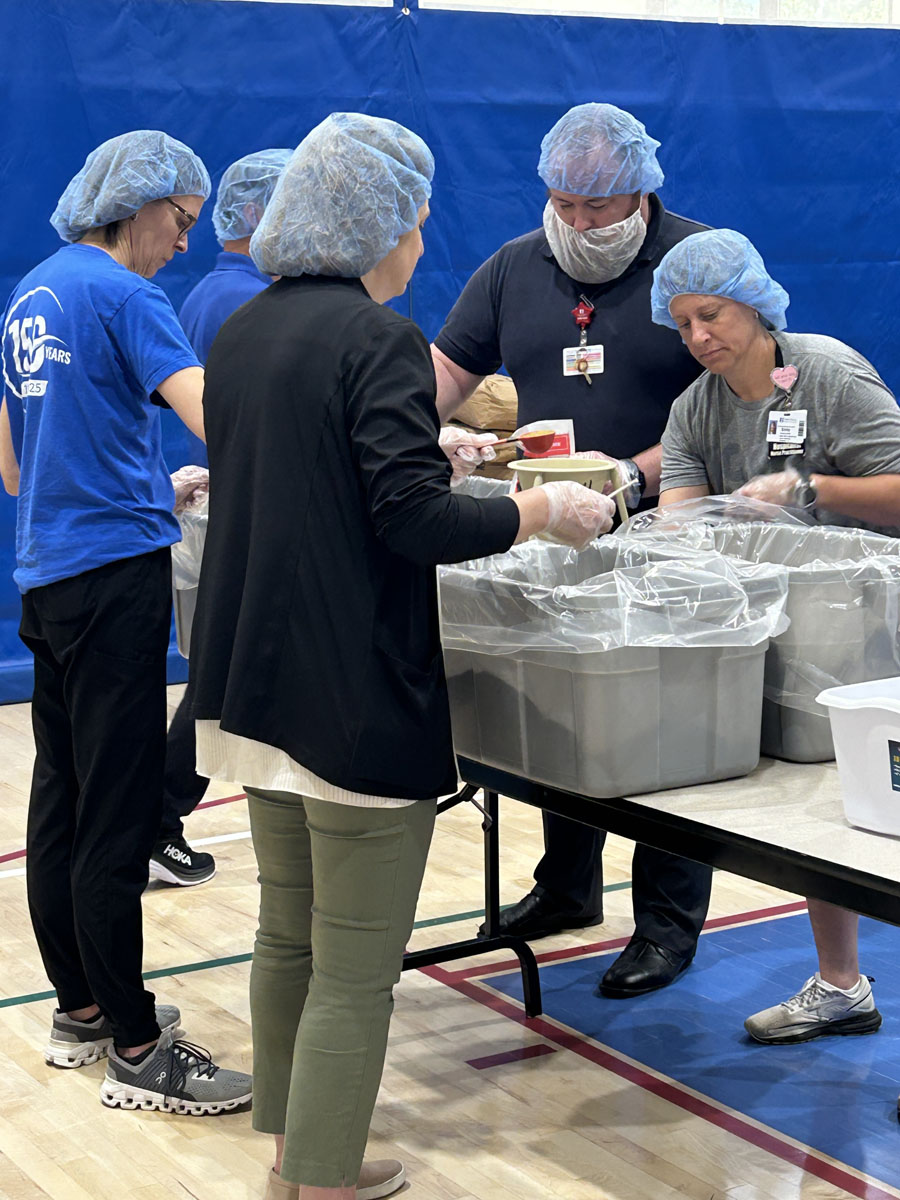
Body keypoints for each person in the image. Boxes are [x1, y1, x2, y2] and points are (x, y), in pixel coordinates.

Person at [187, 113, 614, 1200]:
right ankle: (322, 1181)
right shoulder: (374, 334)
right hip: (345, 694)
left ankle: (292, 1151)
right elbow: (409, 522)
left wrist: (432, 449)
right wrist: (541, 513)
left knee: (287, 933)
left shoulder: (245, 330)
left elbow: (313, 480)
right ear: (377, 226)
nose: (423, 242)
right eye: (418, 223)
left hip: (247, 682)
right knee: (356, 964)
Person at [430, 101, 715, 999]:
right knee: (565, 715)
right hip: (552, 528)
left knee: (662, 732)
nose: (580, 223)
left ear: (642, 192)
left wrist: (630, 476)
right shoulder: (516, 267)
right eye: (564, 204)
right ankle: (566, 888)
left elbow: (742, 397)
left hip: (670, 526)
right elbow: (442, 377)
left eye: (600, 208)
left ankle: (667, 920)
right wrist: (419, 434)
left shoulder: (698, 262)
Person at [0, 130, 252, 1113]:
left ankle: (83, 1009)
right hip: (116, 577)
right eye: (181, 224)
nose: (184, 245)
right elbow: (216, 414)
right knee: (117, 809)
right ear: (141, 205)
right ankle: (141, 1050)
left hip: (46, 573)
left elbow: (20, 468)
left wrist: (149, 481)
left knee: (61, 798)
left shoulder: (33, 290)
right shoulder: (124, 293)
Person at [653, 226, 900, 1043]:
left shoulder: (826, 374)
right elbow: (680, 521)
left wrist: (807, 488)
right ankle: (841, 985)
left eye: (712, 314)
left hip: (878, 631)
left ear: (755, 304)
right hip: (795, 643)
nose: (698, 337)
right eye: (683, 323)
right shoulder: (696, 408)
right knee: (826, 819)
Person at [151, 147, 293, 889]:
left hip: (225, 508)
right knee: (220, 683)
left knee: (223, 678)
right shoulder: (249, 303)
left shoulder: (212, 292)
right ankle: (158, 814)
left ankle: (155, 812)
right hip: (248, 515)